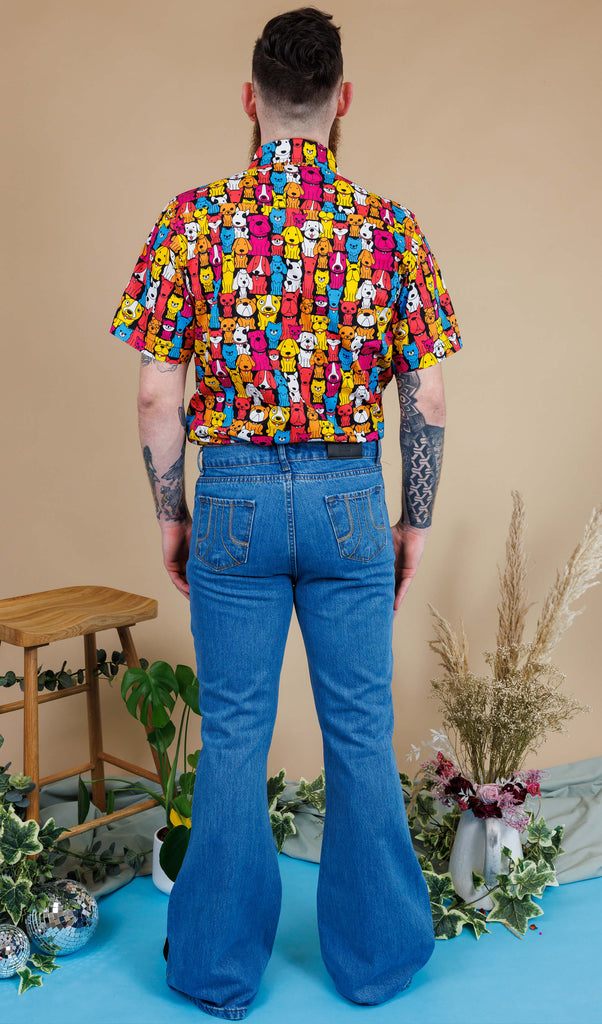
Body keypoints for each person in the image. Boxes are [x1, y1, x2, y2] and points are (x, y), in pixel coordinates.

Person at [109, 7, 462, 1018]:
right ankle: (376, 962)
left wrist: (172, 512)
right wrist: (412, 523)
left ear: (248, 100)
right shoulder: (388, 227)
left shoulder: (192, 218)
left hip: (235, 496)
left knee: (231, 735)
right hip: (352, 495)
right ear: (341, 101)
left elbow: (153, 392)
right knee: (357, 732)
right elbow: (426, 394)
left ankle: (216, 970)